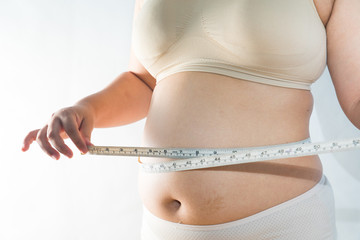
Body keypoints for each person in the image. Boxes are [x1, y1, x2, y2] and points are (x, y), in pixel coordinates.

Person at [22, 0, 360, 239]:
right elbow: (142, 80)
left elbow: (356, 97)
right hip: (161, 229)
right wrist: (87, 109)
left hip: (280, 223)